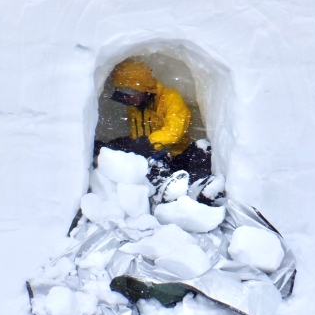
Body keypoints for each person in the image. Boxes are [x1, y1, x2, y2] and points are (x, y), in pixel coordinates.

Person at [94, 59, 222, 205]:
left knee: (202, 148)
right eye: (123, 93)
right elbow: (137, 140)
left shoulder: (170, 98)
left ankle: (196, 190)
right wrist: (113, 146)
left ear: (144, 89)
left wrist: (150, 142)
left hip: (177, 158)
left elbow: (175, 130)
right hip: (153, 161)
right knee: (149, 162)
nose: (127, 98)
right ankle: (163, 194)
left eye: (131, 92)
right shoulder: (134, 108)